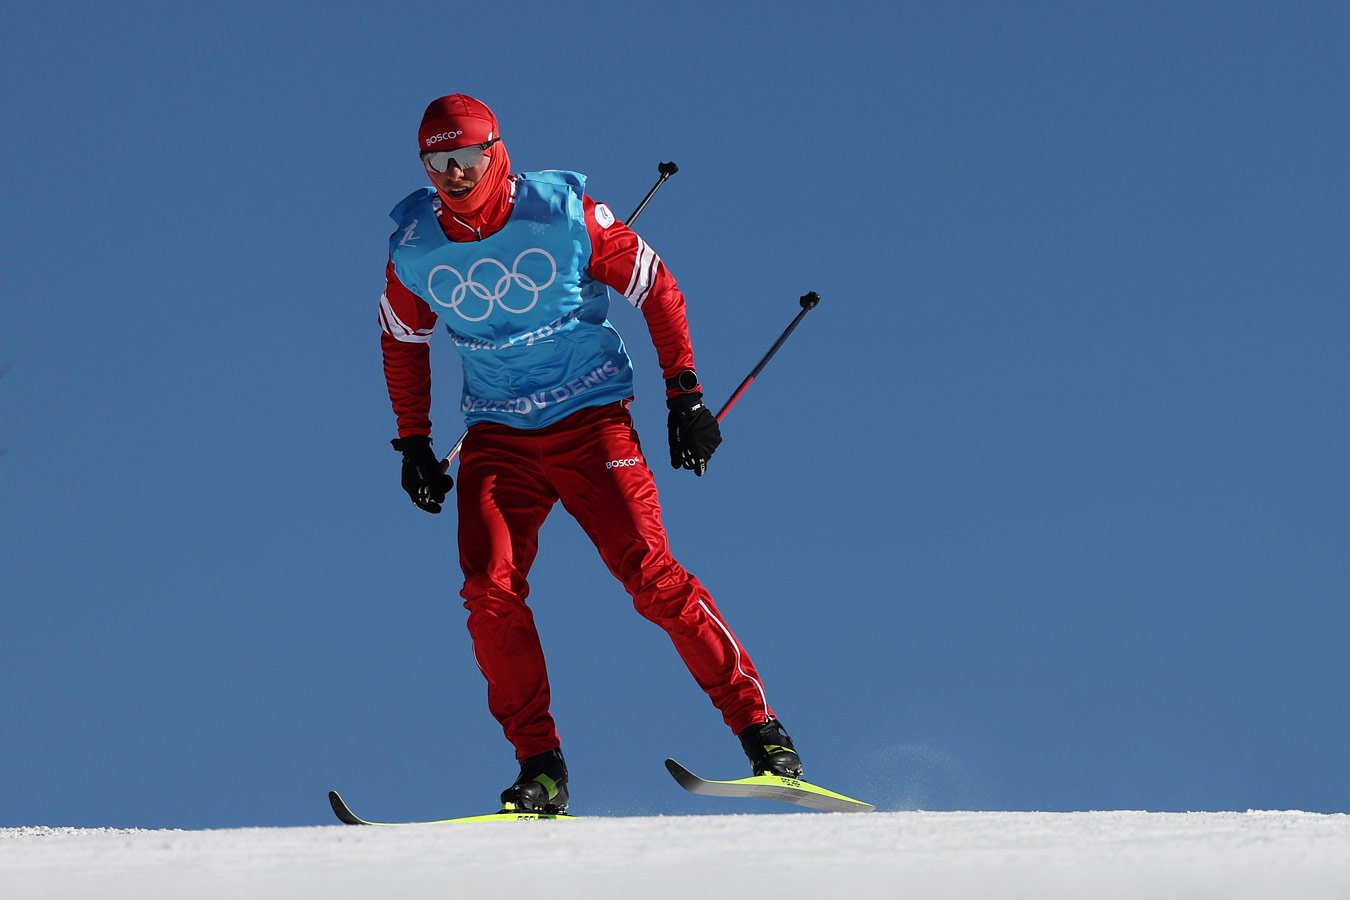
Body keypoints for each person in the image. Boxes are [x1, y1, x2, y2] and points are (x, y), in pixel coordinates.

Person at [378, 93, 802, 813]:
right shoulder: (416, 244)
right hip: (499, 437)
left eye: (467, 158)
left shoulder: (561, 214)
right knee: (489, 589)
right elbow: (402, 341)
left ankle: (761, 733)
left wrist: (685, 395)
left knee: (650, 576)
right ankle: (541, 767)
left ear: (495, 152)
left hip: (590, 421)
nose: (453, 174)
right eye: (437, 162)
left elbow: (656, 288)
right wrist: (414, 441)